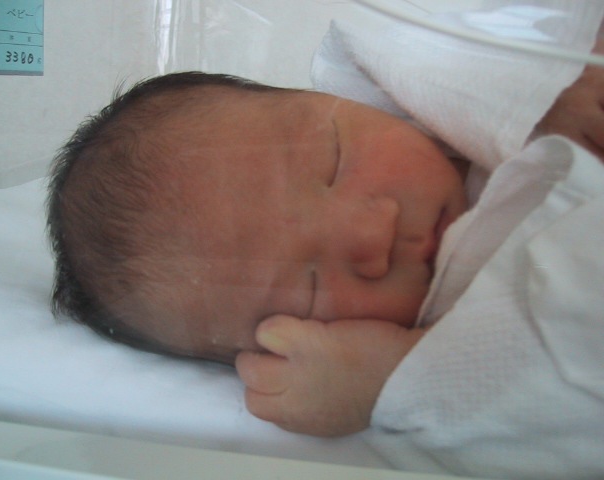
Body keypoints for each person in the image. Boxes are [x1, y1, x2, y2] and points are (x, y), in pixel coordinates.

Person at [48, 56, 604, 480]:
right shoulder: (467, 331)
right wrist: (394, 379)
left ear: (334, 100)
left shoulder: (405, 84)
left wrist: (544, 87)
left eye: (335, 161)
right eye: (310, 289)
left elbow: (413, 37)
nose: (373, 235)